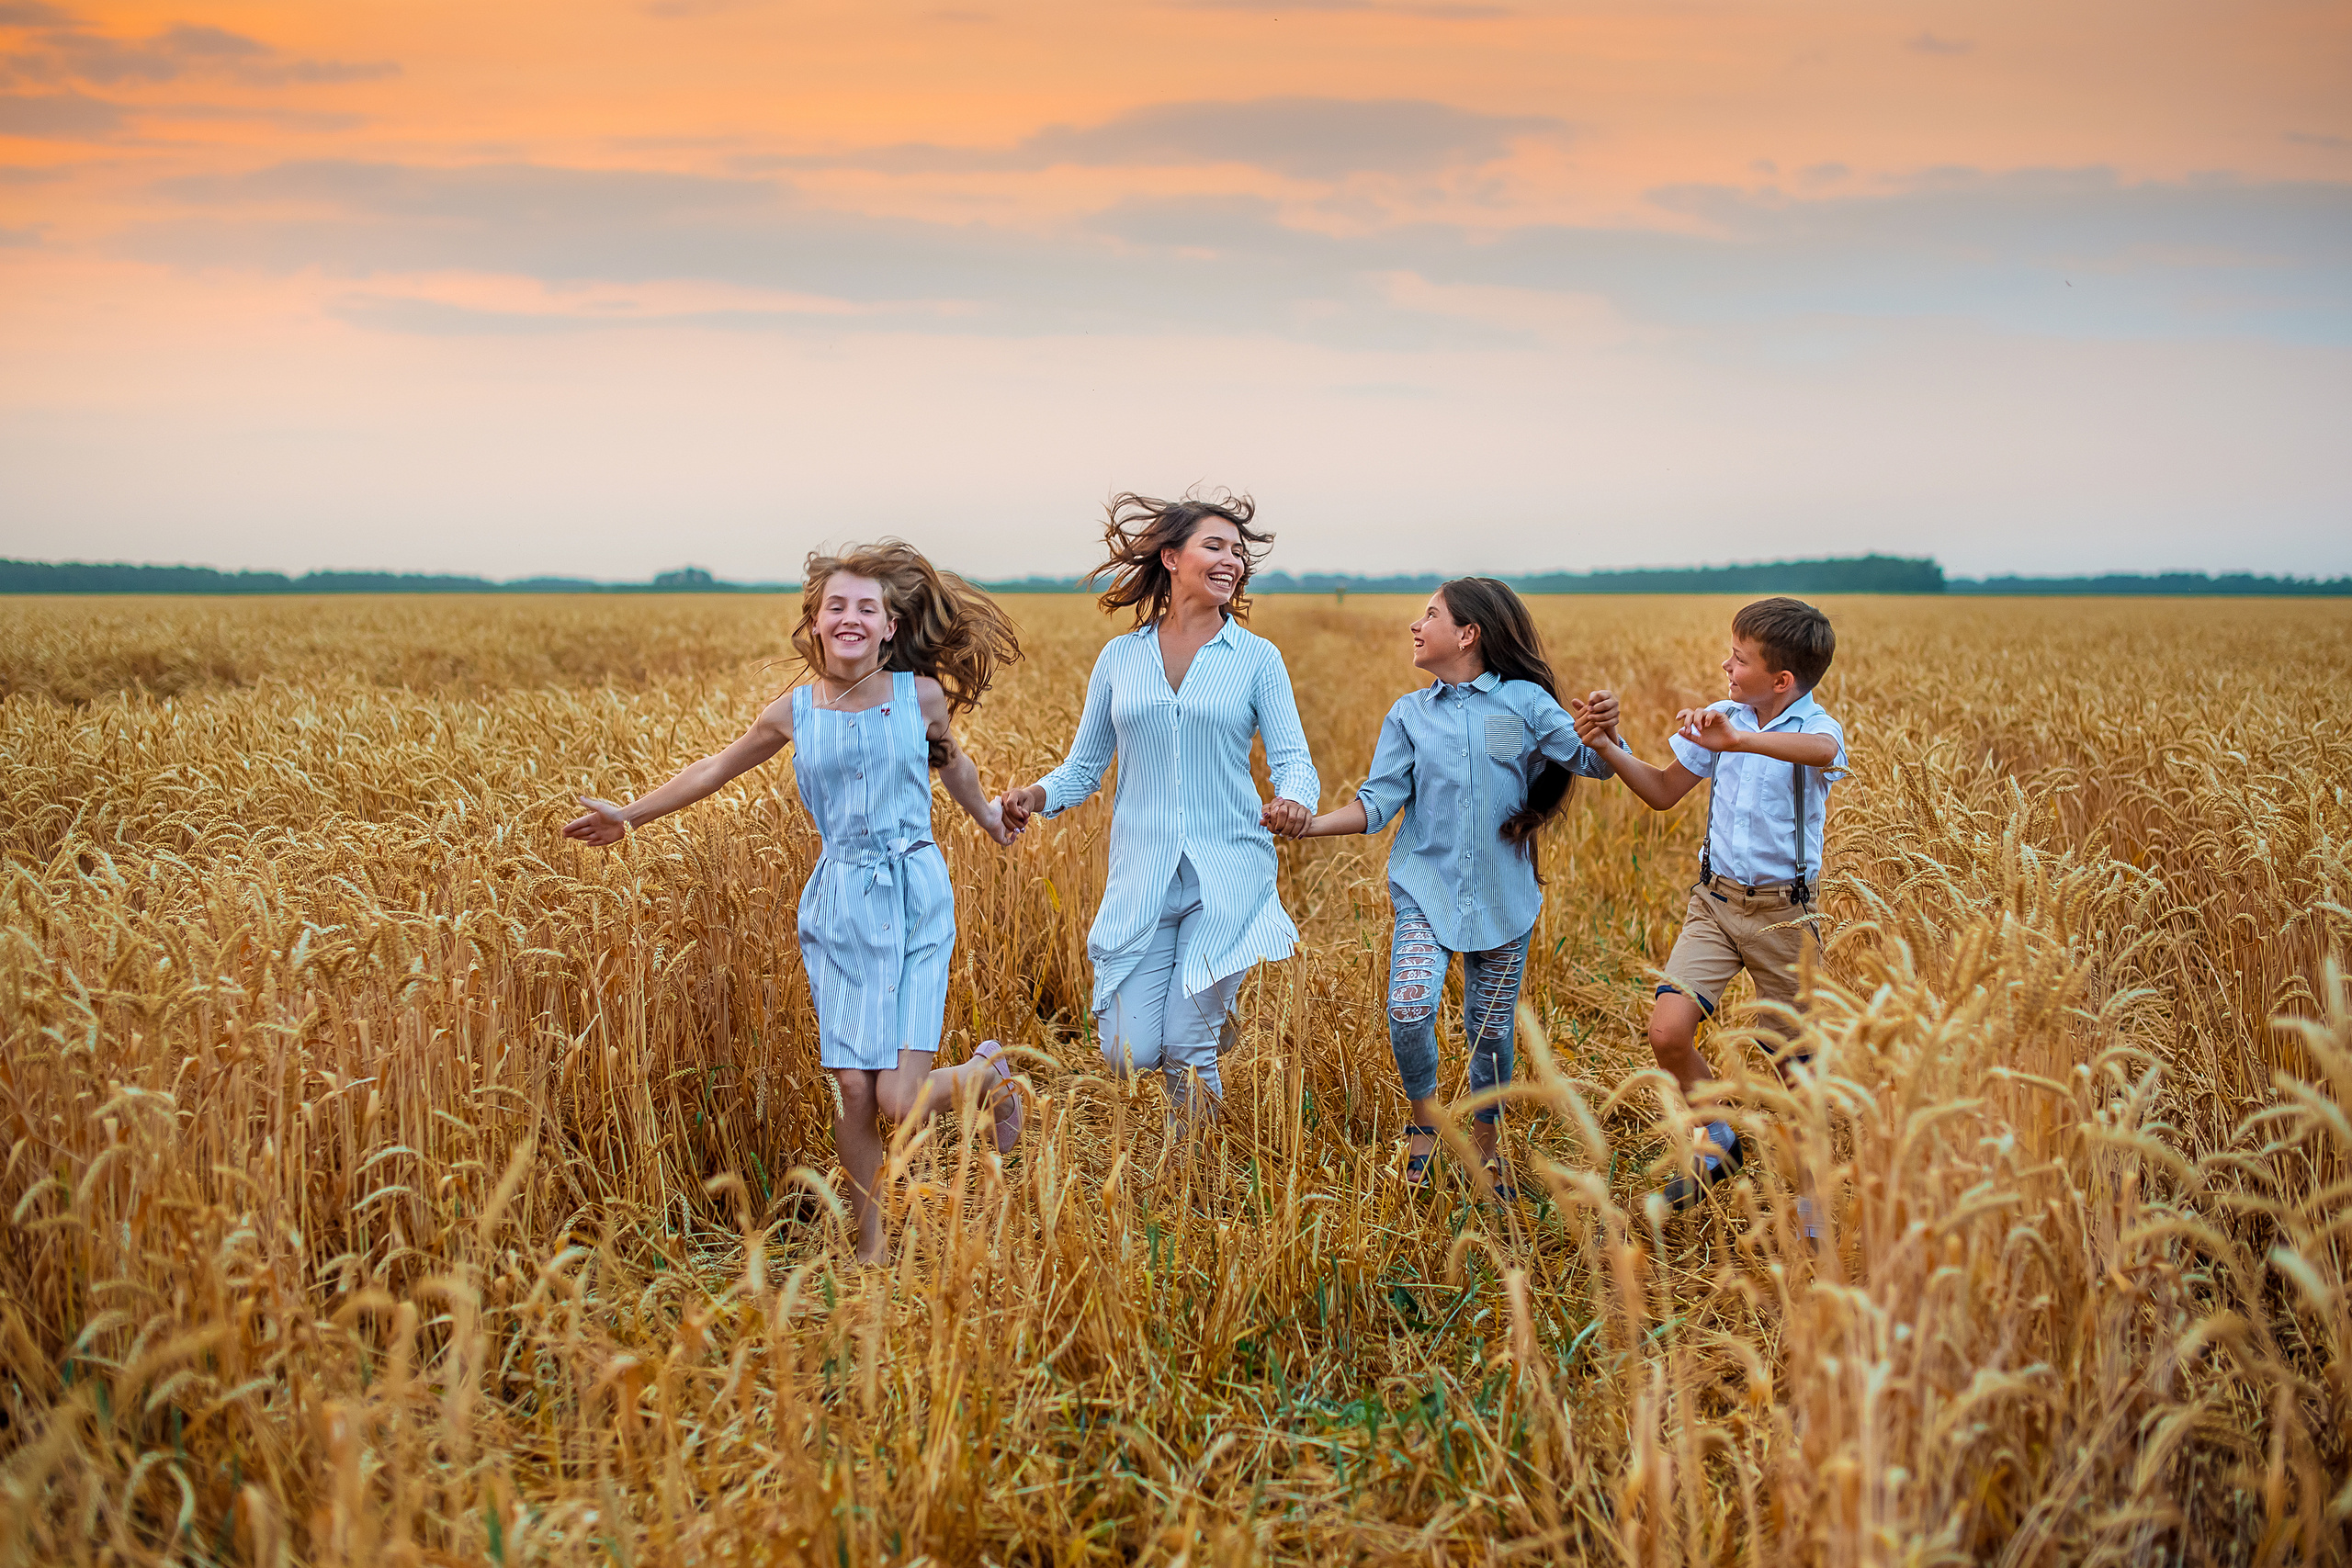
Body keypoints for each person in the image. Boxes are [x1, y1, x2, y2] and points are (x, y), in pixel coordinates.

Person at [563, 543, 1025, 1263]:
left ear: (889, 627)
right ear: (813, 623)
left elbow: (952, 761)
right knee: (853, 1090)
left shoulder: (920, 696)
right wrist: (629, 815)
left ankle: (983, 1076)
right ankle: (870, 1247)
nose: (848, 617)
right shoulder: (793, 712)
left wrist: (991, 817)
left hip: (913, 896)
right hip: (838, 903)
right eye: (834, 606)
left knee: (899, 1099)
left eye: (864, 607)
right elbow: (714, 767)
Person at [998, 491, 1318, 1127]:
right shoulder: (1121, 658)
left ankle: (1193, 1181)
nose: (1231, 560)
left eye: (1238, 551)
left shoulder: (1258, 659)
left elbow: (1294, 758)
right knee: (1129, 1052)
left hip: (1226, 873)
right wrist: (1035, 796)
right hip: (1143, 875)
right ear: (1171, 557)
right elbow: (1084, 767)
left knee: (1186, 1048)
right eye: (1215, 546)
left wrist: (1295, 801)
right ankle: (1208, 1010)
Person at [1287, 579, 1616, 1195]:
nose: (1416, 624)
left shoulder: (1523, 702)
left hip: (1503, 896)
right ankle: (1427, 1122)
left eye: (1430, 614)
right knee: (1410, 1008)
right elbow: (1378, 801)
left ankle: (1485, 1142)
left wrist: (1604, 727)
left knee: (1488, 1032)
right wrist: (1311, 825)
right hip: (1427, 890)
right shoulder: (1408, 715)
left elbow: (1593, 762)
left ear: (1468, 633)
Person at [1571, 596, 1845, 1208]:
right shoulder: (1722, 715)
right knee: (1667, 1032)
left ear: (1782, 680)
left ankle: (1809, 1206)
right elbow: (1665, 791)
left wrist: (1739, 739)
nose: (1726, 666)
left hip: (1786, 915)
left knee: (1793, 1065)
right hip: (1715, 906)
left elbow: (1824, 755)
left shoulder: (1816, 727)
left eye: (1739, 659)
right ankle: (1716, 1130)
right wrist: (1609, 746)